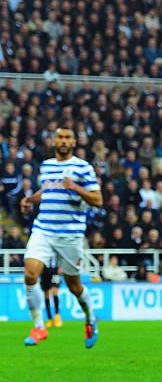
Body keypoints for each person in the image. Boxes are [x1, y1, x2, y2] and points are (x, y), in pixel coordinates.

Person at [19, 126, 103, 348]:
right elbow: (47, 191)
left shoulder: (83, 168)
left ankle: (90, 319)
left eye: (67, 137)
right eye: (60, 137)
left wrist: (75, 187)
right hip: (44, 230)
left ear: (74, 142)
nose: (63, 141)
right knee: (29, 274)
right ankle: (39, 326)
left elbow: (97, 199)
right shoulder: (46, 166)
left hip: (70, 235)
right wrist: (30, 200)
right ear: (54, 141)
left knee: (74, 286)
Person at [41, 257, 62, 328]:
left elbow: (61, 255)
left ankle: (57, 316)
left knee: (55, 292)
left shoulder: (57, 246)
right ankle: (50, 319)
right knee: (46, 295)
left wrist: (61, 267)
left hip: (55, 271)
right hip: (45, 271)